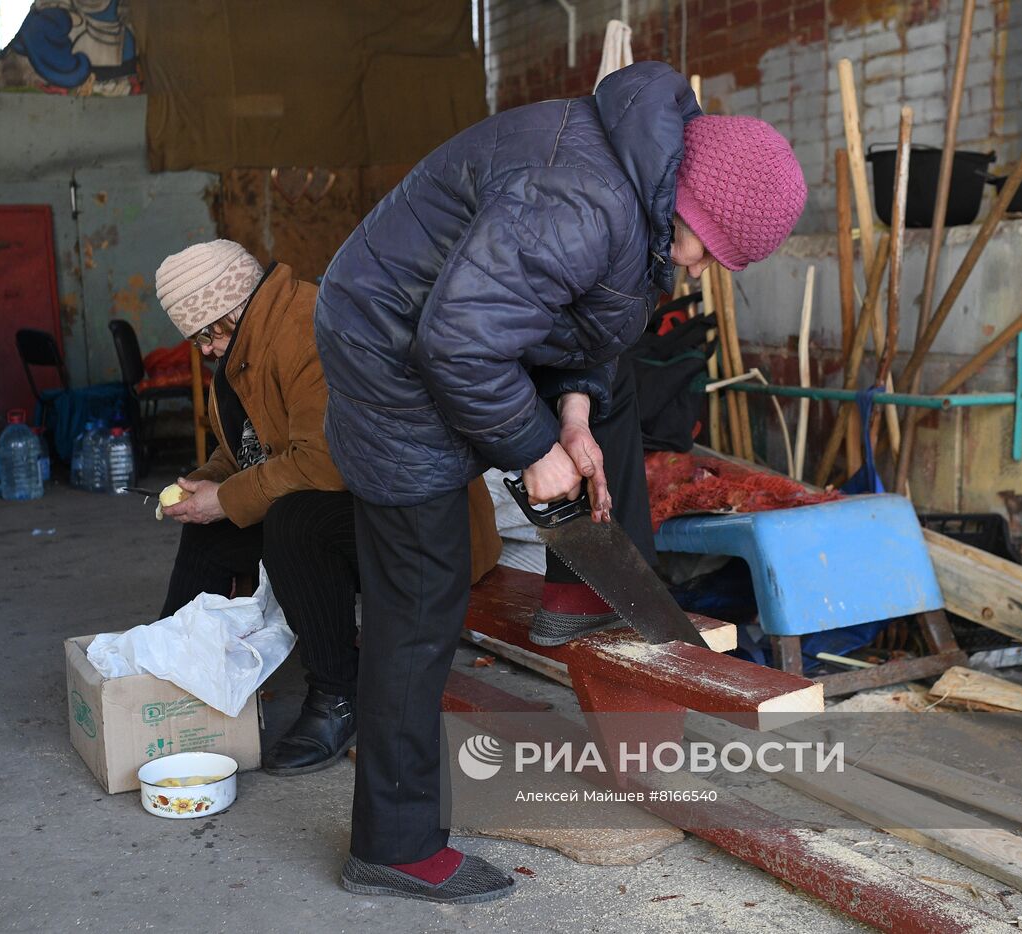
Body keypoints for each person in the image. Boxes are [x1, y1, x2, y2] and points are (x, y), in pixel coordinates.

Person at [314, 61, 806, 903]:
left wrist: (573, 417)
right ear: (690, 208)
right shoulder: (583, 201)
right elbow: (460, 343)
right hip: (388, 357)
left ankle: (577, 587)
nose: (697, 271)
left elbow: (585, 316)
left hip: (444, 330)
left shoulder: (633, 176)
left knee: (608, 403)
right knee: (420, 602)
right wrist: (534, 448)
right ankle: (390, 847)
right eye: (707, 253)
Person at [152, 239, 501, 776]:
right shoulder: (246, 344)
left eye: (206, 334)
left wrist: (225, 499)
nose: (203, 351)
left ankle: (338, 695)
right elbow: (247, 446)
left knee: (296, 522)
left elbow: (326, 463)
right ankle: (169, 680)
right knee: (213, 532)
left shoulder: (308, 330)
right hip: (358, 507)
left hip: (421, 524)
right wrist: (203, 486)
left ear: (232, 309)